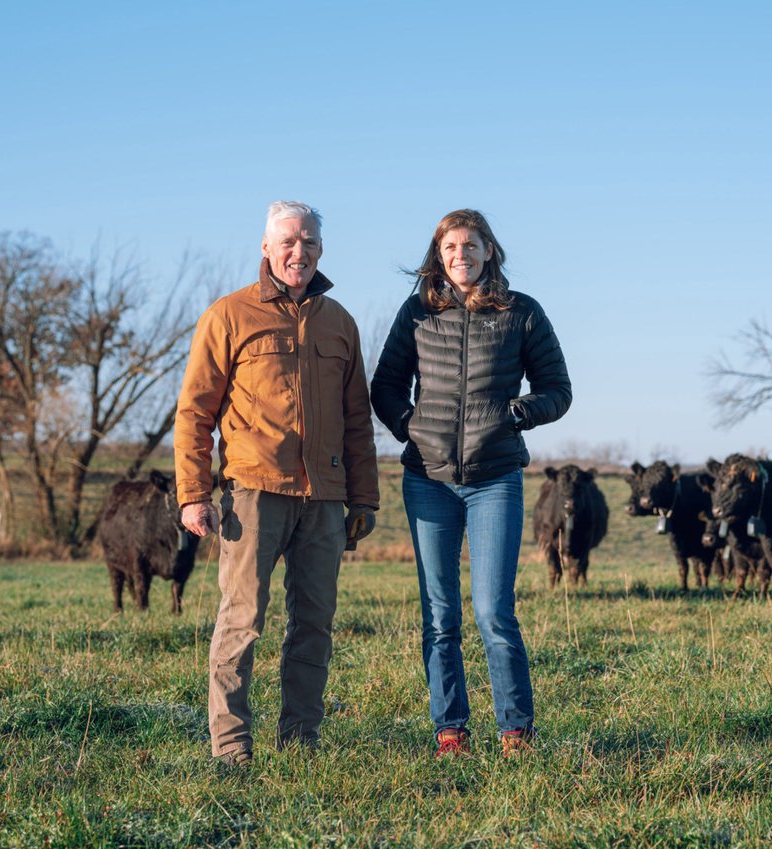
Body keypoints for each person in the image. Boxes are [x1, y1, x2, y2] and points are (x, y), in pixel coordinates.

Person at [174, 200, 379, 768]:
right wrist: (193, 493)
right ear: (266, 248)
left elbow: (357, 418)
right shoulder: (229, 315)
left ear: (321, 250)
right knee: (242, 622)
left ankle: (301, 743)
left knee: (314, 625)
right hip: (253, 493)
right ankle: (232, 748)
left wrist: (363, 497)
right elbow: (194, 412)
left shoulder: (340, 322)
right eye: (288, 241)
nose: (299, 251)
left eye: (309, 242)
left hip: (324, 499)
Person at [370, 209, 572, 757]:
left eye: (471, 245)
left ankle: (516, 731)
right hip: (427, 480)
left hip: (495, 478)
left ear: (489, 251)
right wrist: (411, 427)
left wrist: (516, 413)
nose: (460, 254)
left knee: (492, 612)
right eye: (450, 246)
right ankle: (451, 730)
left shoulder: (521, 312)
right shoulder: (417, 312)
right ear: (439, 255)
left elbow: (558, 389)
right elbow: (385, 385)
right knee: (439, 615)